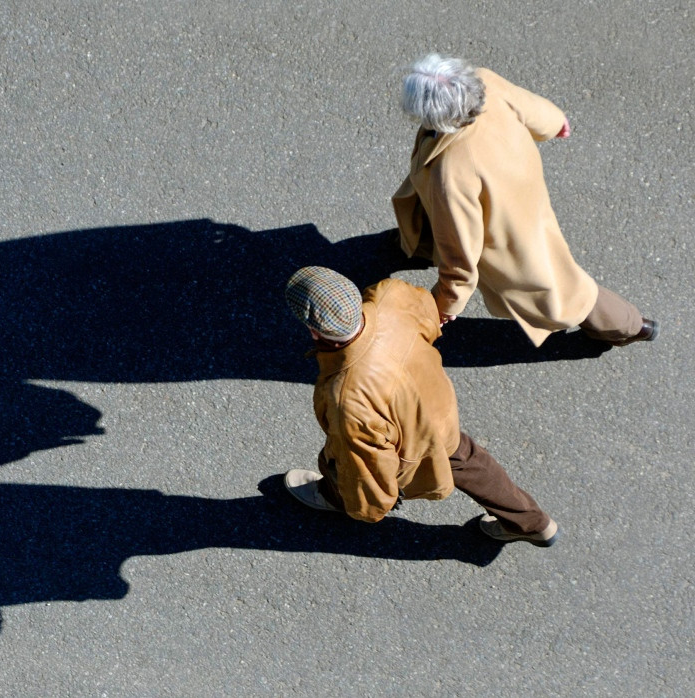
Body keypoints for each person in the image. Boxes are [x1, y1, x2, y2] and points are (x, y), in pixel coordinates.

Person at [279, 266, 559, 546]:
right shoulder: (390, 295)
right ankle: (532, 523)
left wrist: (366, 505)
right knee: (466, 459)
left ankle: (331, 496)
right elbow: (428, 316)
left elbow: (366, 469)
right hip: (436, 404)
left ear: (314, 332)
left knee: (340, 463)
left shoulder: (347, 398)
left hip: (406, 445)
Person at [391, 53, 655, 347]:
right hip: (520, 185)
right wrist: (555, 123)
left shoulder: (451, 172)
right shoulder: (485, 82)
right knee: (550, 272)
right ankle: (419, 246)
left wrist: (446, 303)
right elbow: (532, 108)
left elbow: (460, 254)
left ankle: (627, 325)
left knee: (558, 289)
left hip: (502, 223)